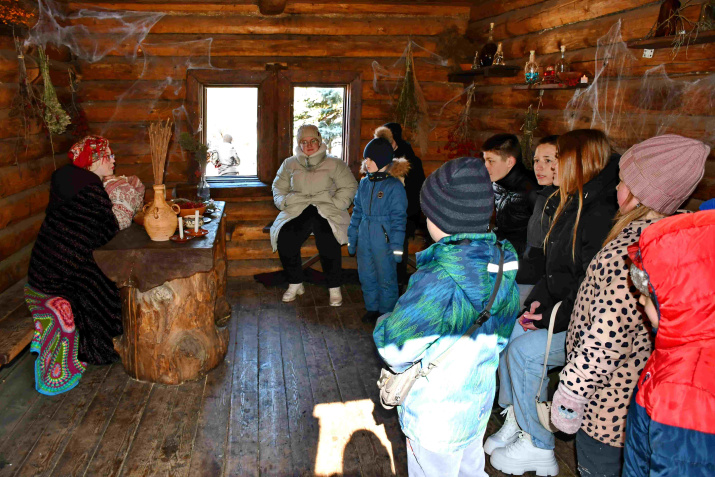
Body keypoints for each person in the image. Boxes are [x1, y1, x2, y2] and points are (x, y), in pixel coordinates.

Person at [549, 135, 710, 477]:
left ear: (642, 194)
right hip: (630, 389)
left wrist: (572, 391)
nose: (615, 188)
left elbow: (608, 335)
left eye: (622, 182)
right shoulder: (671, 239)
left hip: (607, 407)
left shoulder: (634, 254)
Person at [374, 157, 520, 477]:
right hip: (476, 403)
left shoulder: (437, 278)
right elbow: (503, 334)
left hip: (435, 416)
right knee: (470, 469)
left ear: (438, 217)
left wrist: (384, 322)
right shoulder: (502, 264)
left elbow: (396, 350)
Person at [487, 129, 619, 477]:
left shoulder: (598, 212)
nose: (551, 166)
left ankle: (539, 445)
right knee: (513, 333)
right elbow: (552, 269)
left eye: (558, 158)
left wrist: (548, 320)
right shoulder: (572, 200)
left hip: (586, 326)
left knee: (525, 352)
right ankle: (518, 417)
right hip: (562, 311)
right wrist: (535, 308)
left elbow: (589, 290)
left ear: (581, 161)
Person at [622, 210, 715, 477]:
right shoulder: (681, 348)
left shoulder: (685, 388)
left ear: (683, 298)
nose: (641, 301)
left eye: (650, 294)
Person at [25, 135, 122, 392]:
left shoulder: (68, 181)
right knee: (103, 285)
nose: (114, 160)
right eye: (109, 156)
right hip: (60, 274)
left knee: (97, 274)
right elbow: (108, 233)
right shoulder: (90, 191)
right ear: (94, 160)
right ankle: (99, 348)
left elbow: (81, 235)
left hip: (42, 267)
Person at [271, 125, 358, 306]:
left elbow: (349, 186)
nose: (309, 145)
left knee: (328, 238)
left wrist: (338, 203)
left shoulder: (335, 163)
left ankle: (334, 286)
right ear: (299, 144)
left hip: (326, 208)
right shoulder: (289, 164)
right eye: (304, 142)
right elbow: (278, 188)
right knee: (285, 237)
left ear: (319, 142)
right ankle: (295, 282)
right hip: (297, 207)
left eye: (313, 141)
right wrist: (284, 202)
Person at [348, 127, 409, 324]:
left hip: (384, 239)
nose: (366, 163)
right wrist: (352, 237)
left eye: (371, 159)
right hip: (365, 236)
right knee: (366, 275)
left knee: (386, 277)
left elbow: (399, 219)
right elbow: (357, 211)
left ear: (382, 160)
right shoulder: (364, 183)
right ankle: (372, 308)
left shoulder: (394, 186)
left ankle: (386, 312)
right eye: (366, 159)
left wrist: (397, 247)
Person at [515, 135, 559, 304]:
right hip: (531, 264)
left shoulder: (561, 202)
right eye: (536, 161)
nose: (538, 167)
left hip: (541, 277)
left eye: (548, 161)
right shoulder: (543, 195)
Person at [382, 122, 426, 286]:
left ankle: (397, 282)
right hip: (383, 213)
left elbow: (416, 192)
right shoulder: (380, 158)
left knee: (398, 242)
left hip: (405, 214)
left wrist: (403, 215)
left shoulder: (411, 161)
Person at [482, 133, 539, 259]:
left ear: (509, 162)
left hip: (523, 260)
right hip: (500, 252)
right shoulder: (495, 183)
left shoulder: (533, 189)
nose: (485, 166)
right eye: (485, 160)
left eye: (491, 161)